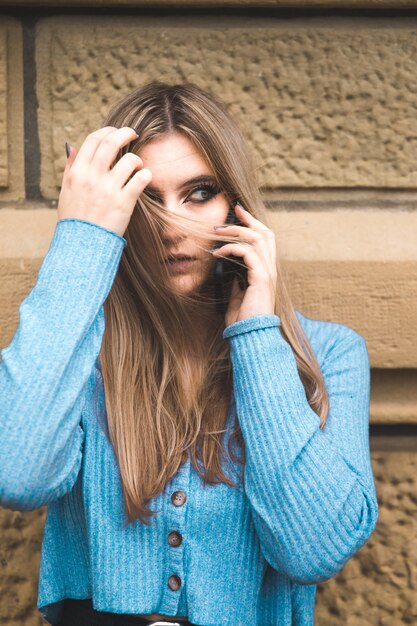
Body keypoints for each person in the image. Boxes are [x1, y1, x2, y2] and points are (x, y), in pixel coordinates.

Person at [0, 82, 378, 626]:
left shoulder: (329, 355)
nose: (173, 226)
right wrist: (82, 236)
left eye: (199, 193)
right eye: (146, 198)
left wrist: (256, 336)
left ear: (237, 203)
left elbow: (313, 551)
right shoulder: (80, 352)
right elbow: (16, 473)